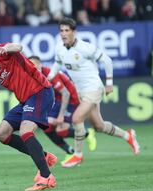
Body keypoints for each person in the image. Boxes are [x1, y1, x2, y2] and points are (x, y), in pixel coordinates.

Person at [0, 31, 56, 191]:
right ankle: (44, 156)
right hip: (25, 100)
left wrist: (7, 48)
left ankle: (46, 177)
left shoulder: (3, 50)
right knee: (1, 133)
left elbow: (18, 47)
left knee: (26, 131)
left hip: (40, 91)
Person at [47, 17, 140, 167]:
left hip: (94, 88)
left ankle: (77, 155)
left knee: (77, 119)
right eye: (61, 31)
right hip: (81, 92)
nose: (63, 33)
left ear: (74, 32)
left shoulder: (86, 47)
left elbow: (107, 60)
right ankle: (128, 135)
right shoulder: (59, 48)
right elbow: (57, 63)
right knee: (99, 126)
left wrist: (109, 83)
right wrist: (49, 77)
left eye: (67, 30)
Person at [29, 55, 97, 162]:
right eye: (29, 65)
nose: (31, 67)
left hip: (71, 99)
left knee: (61, 130)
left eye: (33, 64)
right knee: (46, 127)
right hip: (57, 101)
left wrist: (60, 116)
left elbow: (66, 93)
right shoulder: (33, 75)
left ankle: (87, 133)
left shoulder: (50, 75)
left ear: (39, 64)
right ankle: (70, 151)